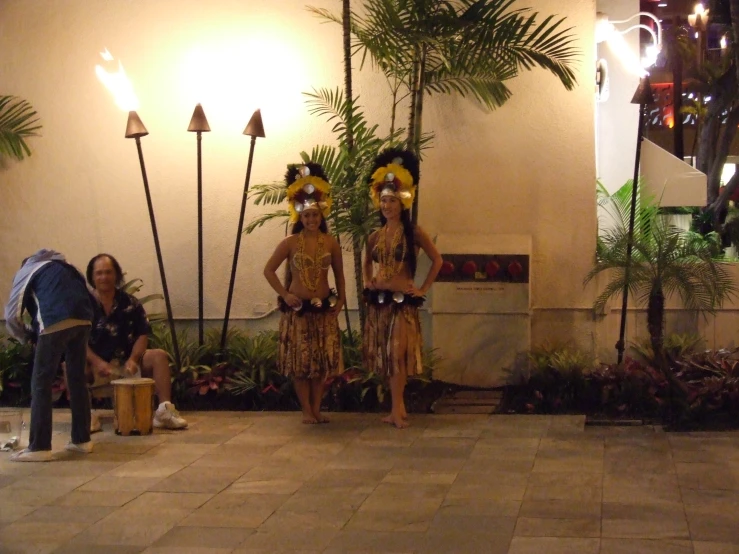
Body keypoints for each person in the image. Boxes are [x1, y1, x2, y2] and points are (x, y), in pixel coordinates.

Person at [363, 148, 443, 429]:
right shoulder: (375, 236)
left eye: (393, 201)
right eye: (384, 201)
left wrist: (422, 289)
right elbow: (366, 263)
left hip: (402, 303)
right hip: (380, 303)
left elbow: (437, 260)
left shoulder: (414, 233)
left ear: (402, 203)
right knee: (387, 356)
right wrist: (368, 281)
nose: (387, 206)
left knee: (398, 353)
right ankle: (398, 407)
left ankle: (397, 407)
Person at [263, 162, 345, 424]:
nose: (311, 220)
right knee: (301, 365)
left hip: (322, 310)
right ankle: (306, 411)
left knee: (320, 364)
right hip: (298, 311)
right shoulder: (290, 243)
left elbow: (340, 275)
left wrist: (341, 300)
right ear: (300, 217)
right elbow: (268, 271)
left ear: (322, 216)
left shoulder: (331, 243)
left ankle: (317, 408)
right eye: (307, 216)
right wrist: (284, 295)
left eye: (316, 215)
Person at [4, 249, 94, 461]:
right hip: (84, 320)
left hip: (54, 321)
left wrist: (26, 337)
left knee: (41, 383)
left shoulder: (28, 269)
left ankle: (39, 447)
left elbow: (11, 315)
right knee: (77, 380)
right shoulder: (69, 266)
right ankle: (82, 440)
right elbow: (92, 295)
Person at [85, 253, 187, 430]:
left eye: (108, 272)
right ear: (92, 277)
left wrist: (133, 358)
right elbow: (76, 340)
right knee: (70, 363)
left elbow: (142, 333)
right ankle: (84, 416)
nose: (104, 277)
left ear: (116, 275)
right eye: (99, 273)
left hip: (127, 362)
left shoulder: (129, 302)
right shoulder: (82, 305)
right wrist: (98, 362)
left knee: (158, 356)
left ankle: (163, 411)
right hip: (94, 363)